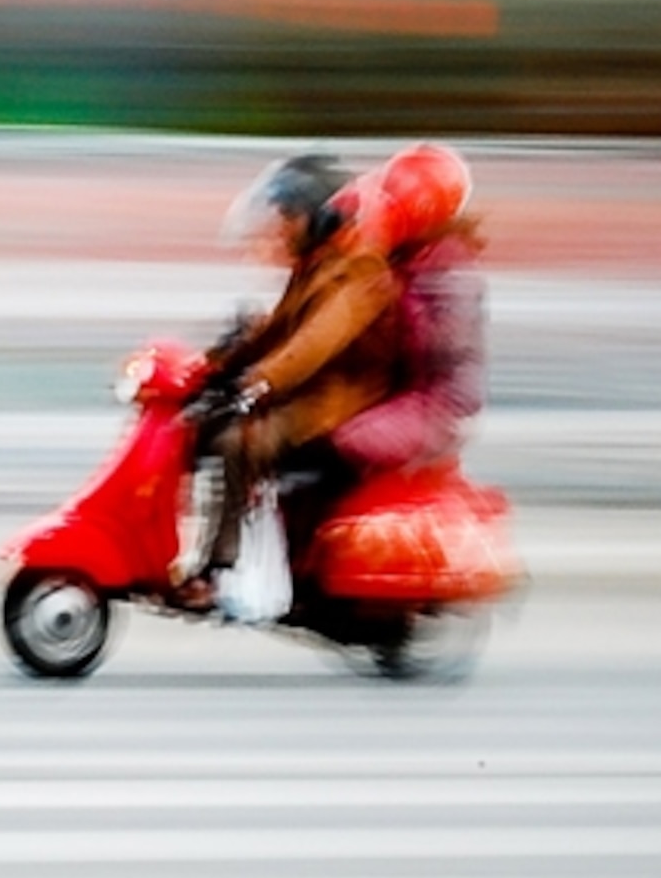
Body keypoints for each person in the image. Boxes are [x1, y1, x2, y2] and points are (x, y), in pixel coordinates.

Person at [176, 152, 406, 610]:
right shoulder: (315, 265)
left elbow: (313, 344)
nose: (280, 226)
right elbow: (278, 331)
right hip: (301, 394)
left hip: (331, 405)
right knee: (191, 430)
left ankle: (218, 569)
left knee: (239, 443)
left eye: (289, 215)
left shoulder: (357, 270)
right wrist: (207, 364)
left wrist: (259, 382)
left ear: (319, 216)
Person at [331, 141, 486, 477]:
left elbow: (436, 360)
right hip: (408, 393)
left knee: (337, 445)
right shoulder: (410, 260)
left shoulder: (447, 278)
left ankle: (317, 528)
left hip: (436, 407)